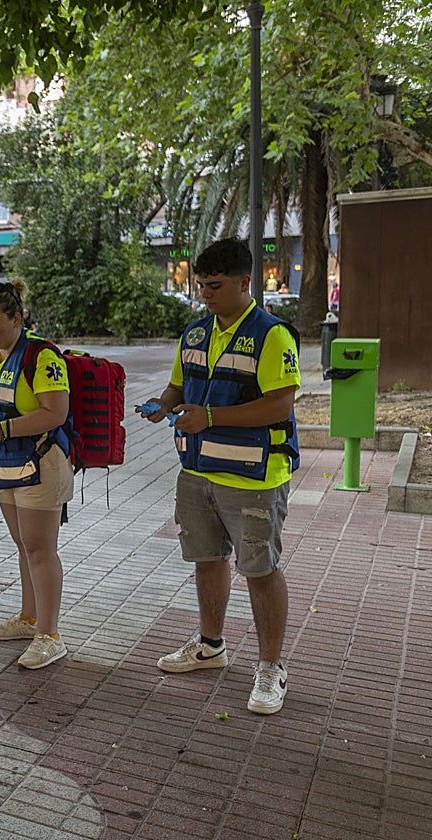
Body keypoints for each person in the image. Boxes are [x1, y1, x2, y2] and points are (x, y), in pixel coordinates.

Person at [138, 238, 300, 715]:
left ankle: (270, 668)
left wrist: (209, 418)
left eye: (214, 285)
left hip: (255, 476)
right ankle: (210, 646)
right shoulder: (193, 334)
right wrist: (163, 405)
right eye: (200, 285)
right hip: (197, 471)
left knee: (260, 570)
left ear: (243, 282)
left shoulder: (272, 335)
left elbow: (280, 404)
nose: (205, 294)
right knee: (206, 559)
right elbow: (178, 384)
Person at [0, 280, 74, 670]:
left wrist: (4, 430)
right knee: (23, 543)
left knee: (39, 548)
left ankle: (50, 635)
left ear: (18, 318)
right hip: (3, 464)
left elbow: (54, 413)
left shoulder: (42, 357)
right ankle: (29, 619)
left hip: (41, 464)